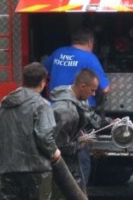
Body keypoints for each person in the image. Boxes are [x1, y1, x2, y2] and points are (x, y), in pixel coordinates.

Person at [0, 62, 60, 200]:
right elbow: (44, 135)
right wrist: (54, 151)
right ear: (43, 82)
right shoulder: (42, 105)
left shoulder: (4, 103)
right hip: (36, 170)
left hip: (8, 169)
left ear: (23, 79)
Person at [44, 28, 110, 185]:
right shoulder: (89, 58)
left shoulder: (58, 52)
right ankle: (78, 199)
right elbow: (105, 88)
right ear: (89, 42)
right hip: (77, 115)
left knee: (57, 155)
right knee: (81, 161)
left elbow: (43, 71)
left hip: (53, 111)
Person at [45, 68, 99, 200]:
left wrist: (113, 122)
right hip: (60, 164)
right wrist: (81, 143)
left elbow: (91, 117)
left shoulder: (76, 99)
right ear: (82, 86)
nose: (93, 94)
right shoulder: (66, 111)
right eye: (92, 90)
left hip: (71, 163)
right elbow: (59, 147)